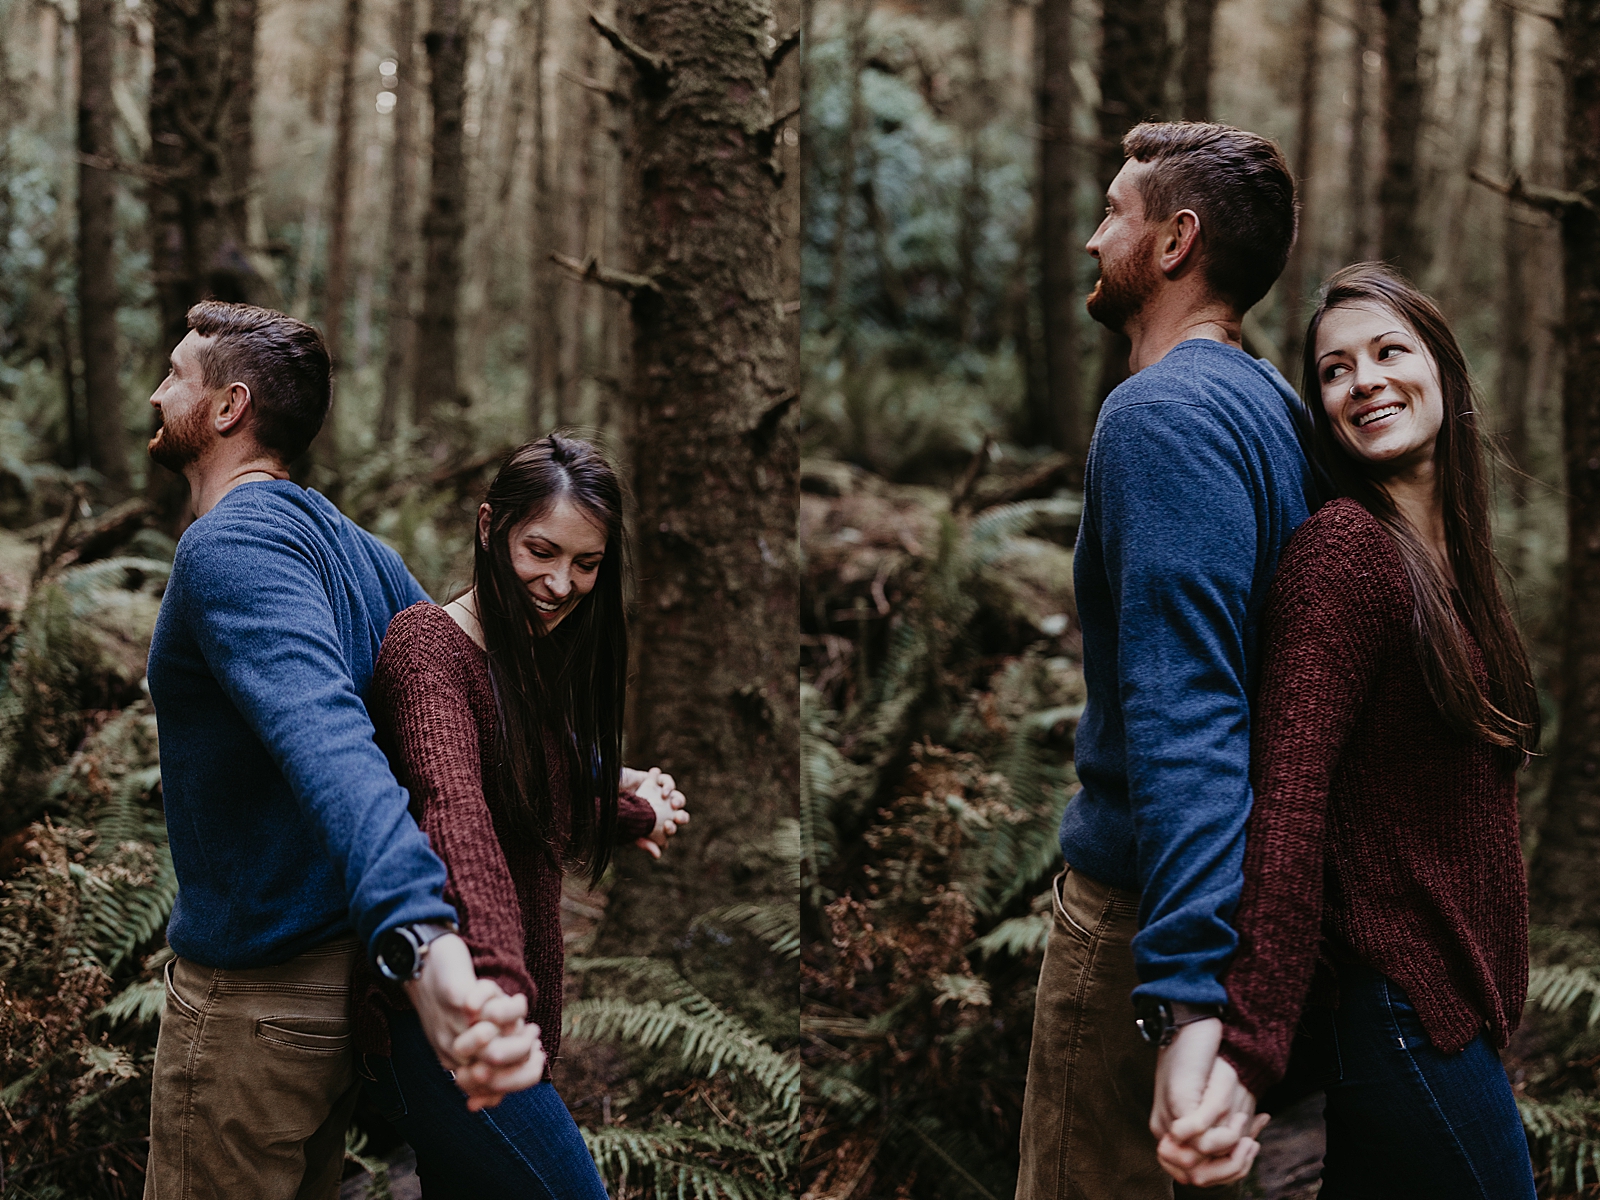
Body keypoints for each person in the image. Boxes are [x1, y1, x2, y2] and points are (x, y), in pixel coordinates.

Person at [143, 301, 542, 1200]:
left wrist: (425, 936)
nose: (156, 392)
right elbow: (464, 704)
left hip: (252, 1013)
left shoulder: (231, 547)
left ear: (229, 406)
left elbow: (334, 744)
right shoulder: (353, 548)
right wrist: (609, 783)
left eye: (176, 375)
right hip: (333, 1011)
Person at [1157, 265, 1541, 1196]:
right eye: (1334, 369)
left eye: (1388, 351)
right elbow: (1288, 810)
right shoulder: (1344, 557)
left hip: (1446, 1005)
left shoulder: (1454, 566)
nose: (1363, 379)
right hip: (1400, 1010)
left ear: (1441, 368)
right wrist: (1247, 1046)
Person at [1014, 121, 1316, 1200]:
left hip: (1140, 923)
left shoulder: (1161, 417)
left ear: (1177, 240)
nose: (1095, 239)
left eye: (1115, 213)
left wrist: (1182, 994)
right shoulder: (1273, 405)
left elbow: (1191, 710)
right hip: (1226, 910)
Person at [355, 434, 691, 1198]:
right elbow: (456, 817)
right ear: (488, 526)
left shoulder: (526, 658)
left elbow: (533, 798)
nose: (561, 583)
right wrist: (500, 992)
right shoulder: (426, 651)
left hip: (495, 1022)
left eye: (587, 564)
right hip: (443, 1022)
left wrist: (634, 813)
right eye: (541, 550)